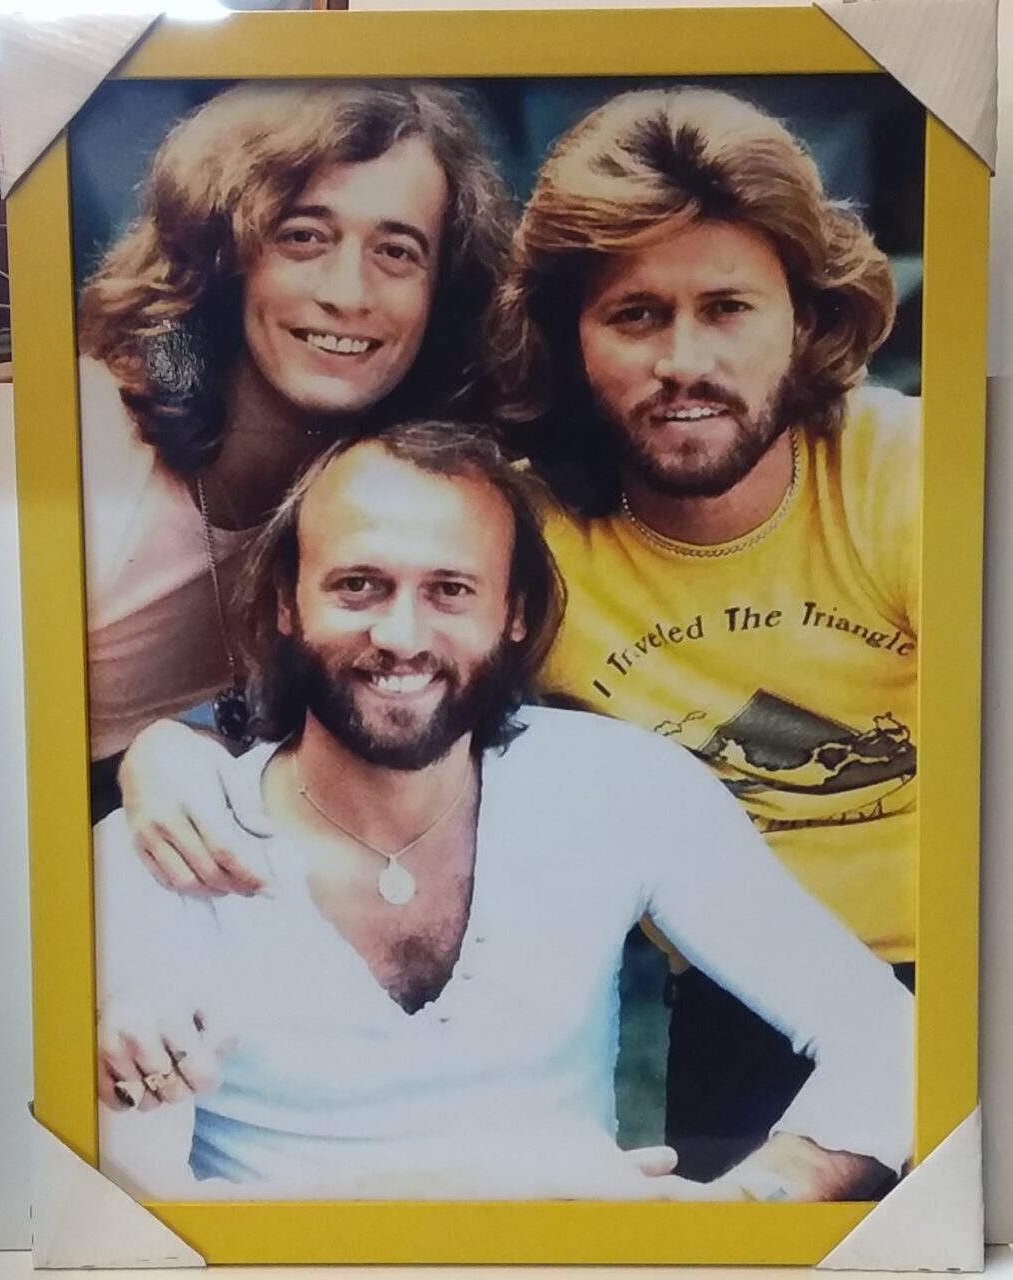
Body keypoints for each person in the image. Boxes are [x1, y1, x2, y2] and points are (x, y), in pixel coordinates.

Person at [95, 420, 912, 1202]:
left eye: (450, 590)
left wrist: (750, 1207)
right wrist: (462, 1198)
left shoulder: (618, 788)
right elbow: (134, 1215)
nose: (401, 634)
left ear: (515, 612)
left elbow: (891, 1036)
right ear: (286, 601)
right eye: (358, 585)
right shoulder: (164, 842)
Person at [492, 86, 918, 1179]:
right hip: (742, 994)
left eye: (727, 307)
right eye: (635, 315)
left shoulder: (904, 472)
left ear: (805, 320)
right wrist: (172, 754)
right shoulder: (527, 537)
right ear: (569, 337)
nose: (683, 359)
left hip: (963, 961)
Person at [78, 79, 511, 821]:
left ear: (442, 292)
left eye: (397, 251)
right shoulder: (88, 435)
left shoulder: (422, 492)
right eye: (304, 237)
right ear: (223, 256)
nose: (349, 293)